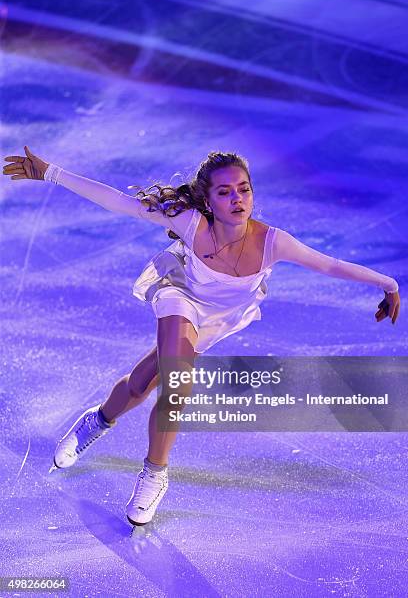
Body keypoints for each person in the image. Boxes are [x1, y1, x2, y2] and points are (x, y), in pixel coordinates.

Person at [3, 147, 401, 526]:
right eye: (225, 192)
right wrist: (50, 172)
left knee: (142, 383)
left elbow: (329, 265)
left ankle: (99, 419)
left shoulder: (272, 242)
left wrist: (389, 283)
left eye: (243, 189)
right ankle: (155, 474)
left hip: (216, 321)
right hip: (179, 295)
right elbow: (119, 203)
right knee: (177, 385)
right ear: (208, 201)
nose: (237, 199)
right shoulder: (189, 222)